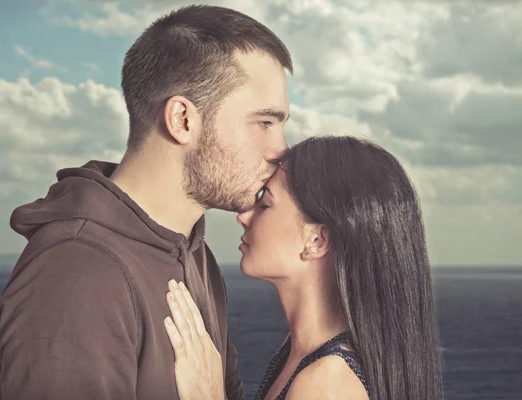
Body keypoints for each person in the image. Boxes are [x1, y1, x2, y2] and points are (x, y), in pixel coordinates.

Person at [0, 5, 293, 400]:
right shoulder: (78, 274)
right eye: (264, 123)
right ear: (182, 119)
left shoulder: (194, 254)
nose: (281, 150)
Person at [162, 136, 443, 400]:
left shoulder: (326, 383)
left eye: (265, 204)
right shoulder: (301, 354)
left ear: (316, 240)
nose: (243, 216)